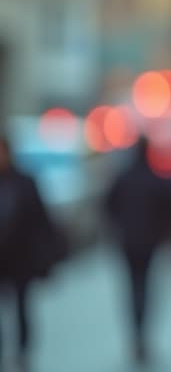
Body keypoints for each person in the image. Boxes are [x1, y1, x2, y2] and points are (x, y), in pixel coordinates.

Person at [104, 137, 171, 366]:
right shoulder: (155, 178)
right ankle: (143, 335)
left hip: (128, 242)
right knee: (145, 287)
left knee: (132, 287)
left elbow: (108, 206)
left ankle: (136, 335)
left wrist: (118, 228)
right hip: (149, 243)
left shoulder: (123, 177)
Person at [0, 136, 67, 372]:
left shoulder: (24, 182)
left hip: (20, 258)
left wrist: (48, 256)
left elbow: (41, 221)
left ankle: (23, 351)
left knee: (21, 307)